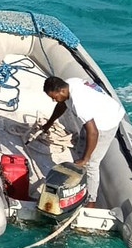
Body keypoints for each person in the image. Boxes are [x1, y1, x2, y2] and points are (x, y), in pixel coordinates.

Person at [37, 75, 125, 207]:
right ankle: (81, 181)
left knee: (91, 164)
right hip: (96, 115)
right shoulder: (69, 84)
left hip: (106, 122)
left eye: (54, 97)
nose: (54, 100)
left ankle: (91, 201)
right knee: (80, 150)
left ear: (61, 91)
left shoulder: (79, 103)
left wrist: (85, 159)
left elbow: (93, 132)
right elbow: (62, 105)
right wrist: (48, 124)